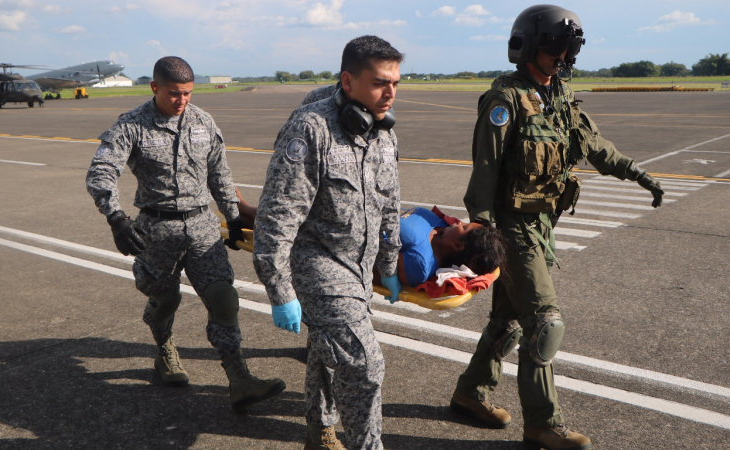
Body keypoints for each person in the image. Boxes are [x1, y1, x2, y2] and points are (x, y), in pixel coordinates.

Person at [452, 5, 665, 450]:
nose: (563, 56)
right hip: (512, 226)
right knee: (545, 323)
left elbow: (594, 145)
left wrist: (636, 173)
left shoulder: (560, 95)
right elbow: (485, 170)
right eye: (555, 47)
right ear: (529, 46)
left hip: (541, 224)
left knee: (508, 322)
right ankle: (543, 424)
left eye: (570, 48)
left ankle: (471, 393)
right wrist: (481, 229)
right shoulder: (505, 100)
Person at [85, 56, 285, 412]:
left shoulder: (203, 121)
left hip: (202, 227)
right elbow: (101, 171)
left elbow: (219, 172)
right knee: (166, 299)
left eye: (188, 93)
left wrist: (232, 214)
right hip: (156, 229)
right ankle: (164, 351)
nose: (182, 101)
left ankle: (240, 381)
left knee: (223, 298)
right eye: (175, 93)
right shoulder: (131, 126)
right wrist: (116, 218)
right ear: (155, 88)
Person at [253, 36, 404, 450]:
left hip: (359, 266)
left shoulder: (384, 134)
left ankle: (319, 428)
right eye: (379, 82)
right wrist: (279, 288)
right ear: (348, 81)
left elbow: (391, 205)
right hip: (316, 262)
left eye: (395, 82)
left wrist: (388, 265)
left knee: (328, 347)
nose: (390, 92)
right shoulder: (311, 129)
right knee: (364, 364)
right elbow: (277, 216)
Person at [374, 207, 506, 289]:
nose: (460, 222)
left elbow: (374, 270)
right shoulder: (442, 224)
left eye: (464, 227)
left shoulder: (420, 263)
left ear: (458, 245)